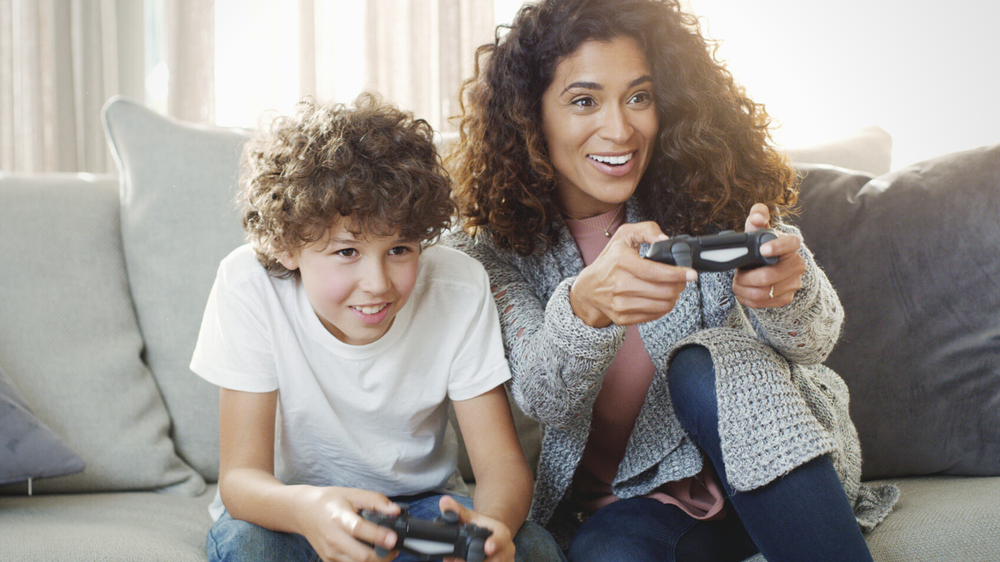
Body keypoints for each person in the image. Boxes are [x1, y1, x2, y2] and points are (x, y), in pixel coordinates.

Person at [442, 1, 897, 561]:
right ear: (530, 116)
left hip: (775, 469)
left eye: (639, 96)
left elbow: (814, 341)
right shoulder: (489, 252)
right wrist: (584, 309)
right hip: (636, 511)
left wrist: (786, 295)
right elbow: (545, 399)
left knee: (704, 359)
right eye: (584, 101)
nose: (620, 128)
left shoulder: (709, 190)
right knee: (605, 554)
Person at [190, 94, 564, 562]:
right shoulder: (248, 284)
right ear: (288, 247)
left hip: (419, 505)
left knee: (531, 547)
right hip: (291, 508)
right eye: (346, 252)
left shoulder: (458, 285)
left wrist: (489, 530)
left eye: (400, 249)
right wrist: (309, 509)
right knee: (249, 546)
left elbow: (501, 466)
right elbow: (241, 480)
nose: (378, 284)